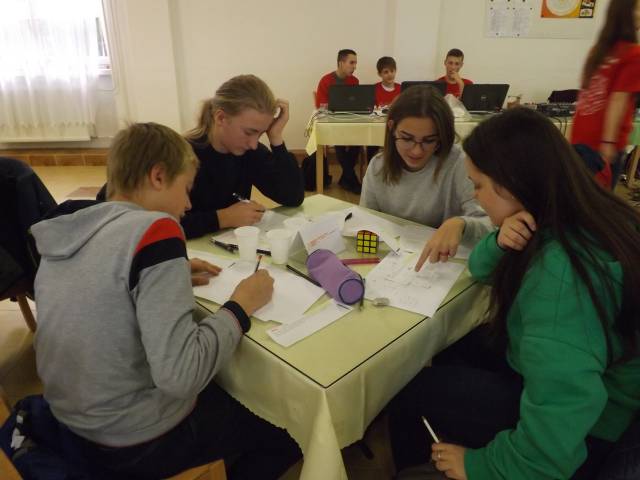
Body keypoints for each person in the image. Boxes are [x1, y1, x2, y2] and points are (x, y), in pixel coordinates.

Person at [31, 123, 302, 479]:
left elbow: (102, 284)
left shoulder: (70, 229)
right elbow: (181, 376)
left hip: (67, 424)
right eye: (186, 189)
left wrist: (166, 274)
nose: (188, 204)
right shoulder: (157, 230)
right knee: (291, 427)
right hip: (129, 441)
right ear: (158, 176)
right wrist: (240, 306)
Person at [388, 107, 640, 479]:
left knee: (410, 393)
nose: (477, 198)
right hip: (577, 383)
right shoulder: (571, 211)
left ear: (511, 185)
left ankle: (425, 469)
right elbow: (480, 269)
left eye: (478, 186)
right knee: (453, 347)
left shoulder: (560, 276)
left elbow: (561, 418)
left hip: (590, 431)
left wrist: (481, 465)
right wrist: (500, 241)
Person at [360, 85, 492, 265]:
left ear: (442, 136)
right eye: (407, 138)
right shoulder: (378, 166)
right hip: (393, 263)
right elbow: (365, 222)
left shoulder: (460, 163)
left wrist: (462, 224)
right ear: (392, 128)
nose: (417, 151)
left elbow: (491, 225)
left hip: (443, 264)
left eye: (429, 140)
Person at [182, 74, 304, 238]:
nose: (253, 144)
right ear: (221, 118)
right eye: (248, 132)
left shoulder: (249, 152)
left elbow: (293, 197)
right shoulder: (182, 155)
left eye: (261, 133)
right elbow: (163, 225)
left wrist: (276, 138)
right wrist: (223, 218)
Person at [571, 0, 640, 189]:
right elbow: (618, 99)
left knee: (578, 194)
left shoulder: (597, 51)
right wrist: (608, 143)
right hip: (602, 144)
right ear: (627, 14)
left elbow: (586, 95)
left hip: (580, 137)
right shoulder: (633, 54)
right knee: (599, 200)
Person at [315, 49, 363, 193]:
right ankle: (352, 179)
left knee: (359, 138)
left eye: (355, 63)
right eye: (351, 63)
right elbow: (320, 105)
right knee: (339, 139)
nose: (354, 66)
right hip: (333, 122)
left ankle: (346, 178)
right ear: (341, 63)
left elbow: (357, 102)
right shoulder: (326, 80)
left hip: (350, 121)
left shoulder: (354, 81)